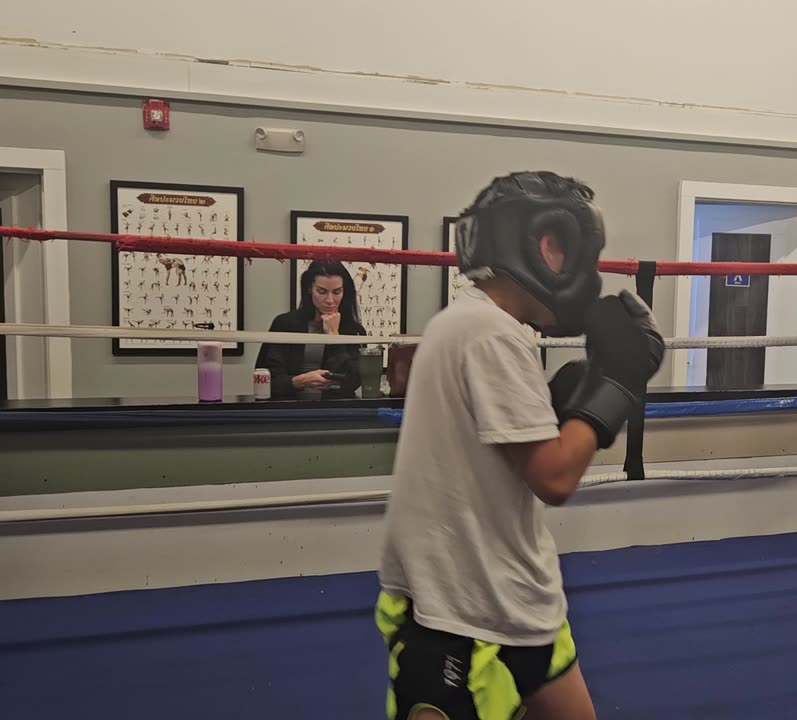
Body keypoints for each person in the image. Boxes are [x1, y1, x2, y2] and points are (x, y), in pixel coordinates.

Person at [375, 171, 664, 720]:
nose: (579, 268)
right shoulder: (492, 333)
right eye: (565, 247)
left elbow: (488, 450)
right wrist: (619, 385)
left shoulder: (461, 321)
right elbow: (553, 478)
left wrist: (563, 410)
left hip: (510, 591)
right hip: (463, 602)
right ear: (536, 244)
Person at [255, 261, 367, 400]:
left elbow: (352, 382)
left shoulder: (354, 330)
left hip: (336, 411)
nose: (330, 300)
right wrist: (299, 381)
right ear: (309, 289)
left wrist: (334, 337)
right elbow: (264, 379)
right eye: (321, 291)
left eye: (337, 292)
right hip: (287, 408)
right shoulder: (284, 324)